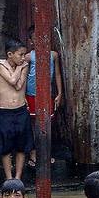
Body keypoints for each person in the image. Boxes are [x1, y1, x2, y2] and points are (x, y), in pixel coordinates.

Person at [0, 35, 34, 181]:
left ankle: (17, 178)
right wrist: (19, 68)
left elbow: (18, 86)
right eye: (20, 55)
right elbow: (12, 80)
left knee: (21, 146)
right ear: (10, 54)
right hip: (5, 111)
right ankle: (9, 178)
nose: (23, 58)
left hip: (20, 109)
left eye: (24, 55)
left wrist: (19, 67)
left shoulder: (24, 65)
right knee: (6, 147)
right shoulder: (0, 64)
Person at [25, 24, 62, 169]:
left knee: (47, 124)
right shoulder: (28, 57)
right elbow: (24, 77)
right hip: (31, 94)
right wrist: (22, 96)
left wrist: (59, 93)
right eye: (36, 38)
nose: (39, 40)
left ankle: (46, 152)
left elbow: (57, 74)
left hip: (48, 94)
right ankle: (34, 153)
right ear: (31, 41)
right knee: (33, 125)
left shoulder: (53, 55)